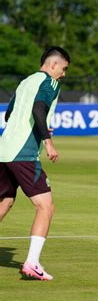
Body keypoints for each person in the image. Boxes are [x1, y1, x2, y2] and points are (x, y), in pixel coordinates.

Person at [0, 46, 70, 281]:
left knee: (5, 203)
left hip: (4, 150)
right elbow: (38, 108)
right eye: (64, 68)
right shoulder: (50, 83)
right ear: (53, 65)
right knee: (45, 206)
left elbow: (9, 115)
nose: (64, 74)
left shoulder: (24, 82)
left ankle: (32, 262)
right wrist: (48, 143)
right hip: (24, 153)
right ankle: (31, 263)